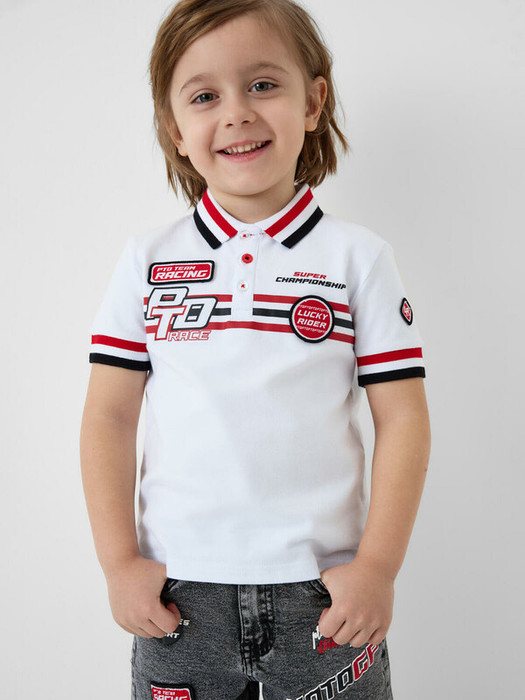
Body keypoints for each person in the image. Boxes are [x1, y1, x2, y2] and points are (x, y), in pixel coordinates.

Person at [80, 0, 431, 698]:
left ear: (313, 102)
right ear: (174, 128)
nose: (236, 113)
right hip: (178, 596)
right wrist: (119, 562)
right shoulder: (147, 260)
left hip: (323, 596)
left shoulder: (357, 258)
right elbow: (108, 417)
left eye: (262, 84)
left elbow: (403, 418)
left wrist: (377, 568)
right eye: (204, 96)